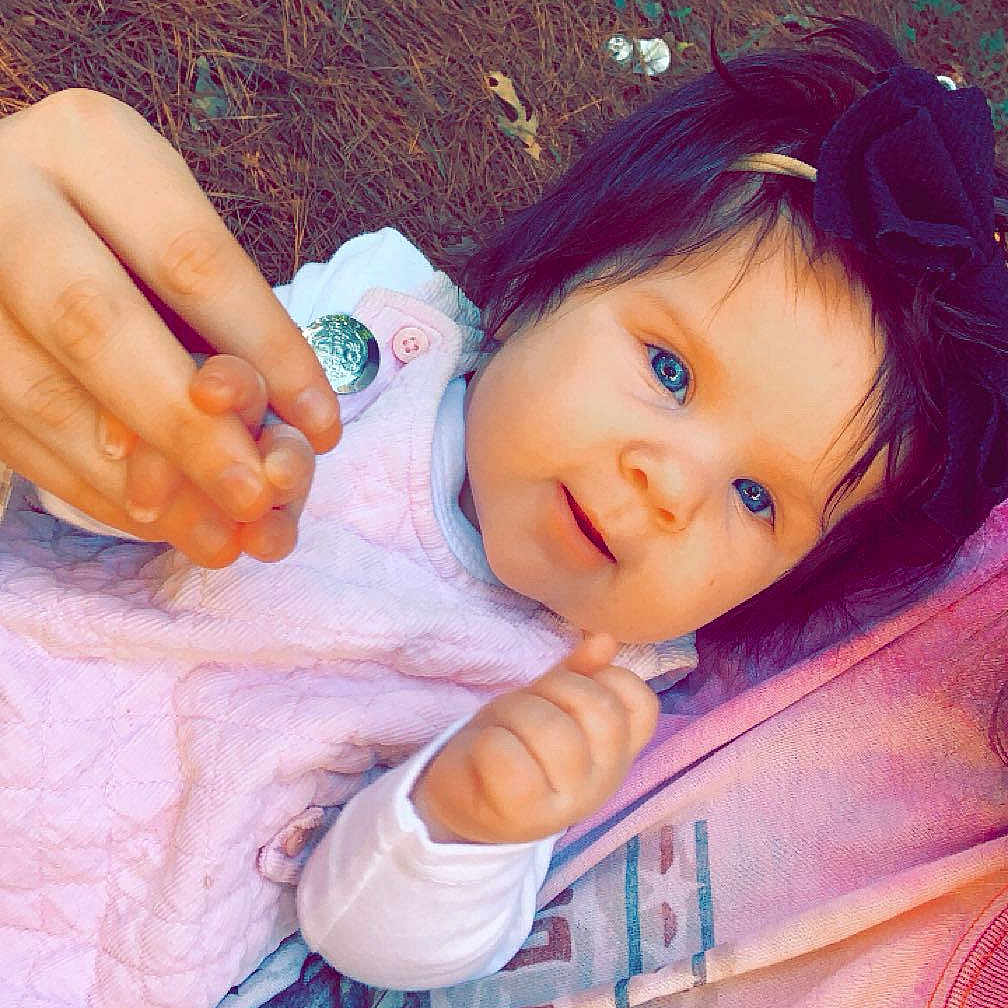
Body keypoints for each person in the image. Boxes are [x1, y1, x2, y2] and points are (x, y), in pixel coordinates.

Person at [0, 14, 1005, 1007]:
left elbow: (356, 931)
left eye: (756, 498)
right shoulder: (370, 346)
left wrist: (459, 822)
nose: (670, 486)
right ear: (538, 287)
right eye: (669, 370)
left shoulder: (574, 702)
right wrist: (151, 442)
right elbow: (75, 429)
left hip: (91, 948)